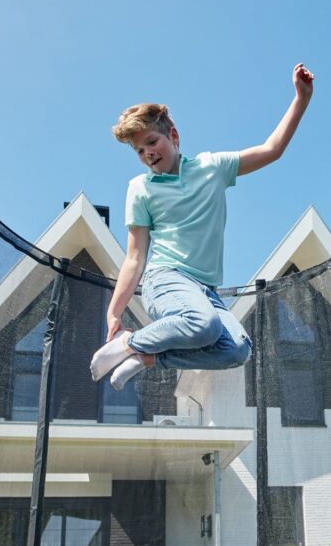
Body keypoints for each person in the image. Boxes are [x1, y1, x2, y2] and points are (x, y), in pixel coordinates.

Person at [90, 63, 315, 390]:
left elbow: (271, 150)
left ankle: (144, 357)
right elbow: (135, 258)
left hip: (204, 290)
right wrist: (114, 313)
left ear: (173, 136)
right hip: (164, 279)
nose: (147, 153)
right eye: (139, 151)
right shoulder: (140, 188)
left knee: (236, 349)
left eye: (152, 142)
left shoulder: (213, 167)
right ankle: (128, 343)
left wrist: (301, 99)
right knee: (203, 323)